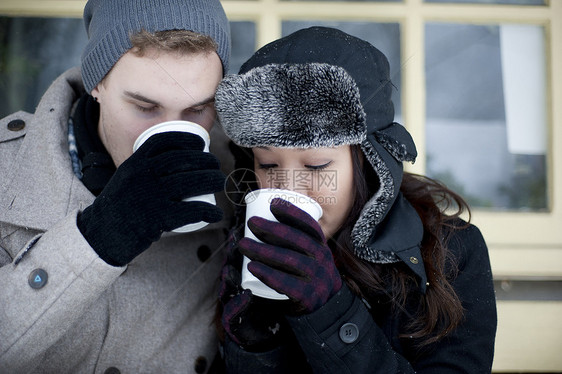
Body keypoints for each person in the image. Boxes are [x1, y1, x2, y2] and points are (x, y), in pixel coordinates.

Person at [214, 26, 497, 373]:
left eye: (316, 165)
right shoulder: (242, 247)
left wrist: (329, 311)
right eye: (268, 164)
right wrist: (256, 342)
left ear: (367, 159)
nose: (289, 189)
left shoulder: (453, 253)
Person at [0, 0, 232, 372]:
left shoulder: (240, 171)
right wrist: (98, 238)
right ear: (97, 83)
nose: (166, 133)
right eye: (144, 106)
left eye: (196, 110)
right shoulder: (7, 170)